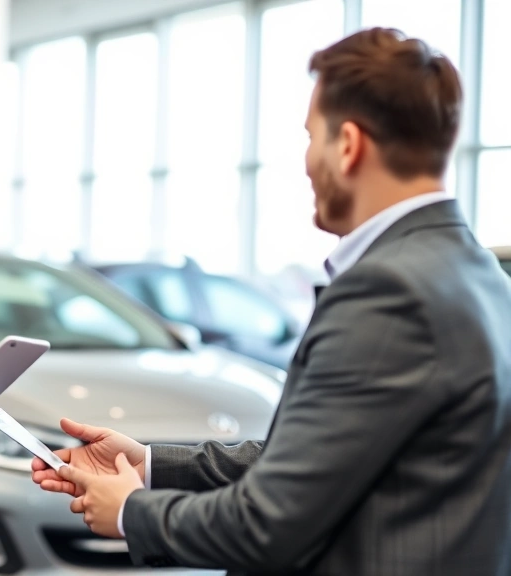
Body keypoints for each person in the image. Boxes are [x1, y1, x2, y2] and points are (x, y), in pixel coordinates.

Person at [32, 27, 511, 575]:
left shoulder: (388, 293)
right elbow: (321, 462)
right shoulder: (480, 274)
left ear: (348, 146)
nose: (306, 162)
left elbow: (269, 524)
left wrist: (132, 512)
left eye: (312, 137)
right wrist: (151, 465)